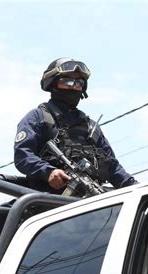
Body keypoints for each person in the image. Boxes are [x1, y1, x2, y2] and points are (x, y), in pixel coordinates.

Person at [14, 57, 137, 194]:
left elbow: (113, 167)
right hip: (46, 201)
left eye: (79, 82)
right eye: (67, 81)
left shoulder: (91, 127)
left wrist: (136, 188)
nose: (73, 86)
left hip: (89, 203)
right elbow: (22, 155)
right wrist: (49, 172)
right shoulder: (38, 118)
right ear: (53, 84)